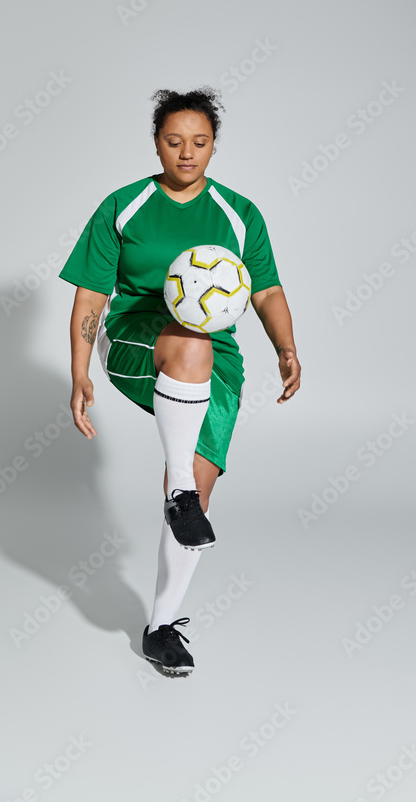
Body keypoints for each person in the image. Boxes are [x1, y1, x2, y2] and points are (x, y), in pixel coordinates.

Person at [58, 87, 301, 675]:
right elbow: (92, 292)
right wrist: (79, 370)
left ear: (214, 145)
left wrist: (286, 347)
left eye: (199, 142)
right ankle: (180, 494)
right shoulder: (125, 205)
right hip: (143, 338)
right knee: (189, 351)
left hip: (219, 357)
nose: (186, 153)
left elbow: (264, 289)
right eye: (174, 141)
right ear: (156, 143)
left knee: (200, 490)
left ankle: (161, 626)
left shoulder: (240, 214)